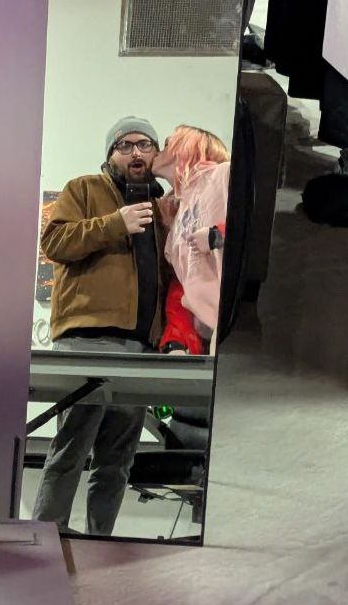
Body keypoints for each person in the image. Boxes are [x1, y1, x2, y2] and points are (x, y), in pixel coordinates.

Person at [33, 116, 166, 535]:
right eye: (125, 145)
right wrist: (115, 223)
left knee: (118, 458)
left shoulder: (164, 205)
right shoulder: (84, 188)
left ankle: (100, 542)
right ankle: (45, 540)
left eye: (145, 144)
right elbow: (54, 242)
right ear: (110, 154)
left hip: (141, 348)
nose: (136, 152)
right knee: (71, 449)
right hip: (86, 339)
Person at [152, 125, 230, 354]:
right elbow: (182, 286)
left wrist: (218, 235)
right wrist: (177, 340)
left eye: (168, 143)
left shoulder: (223, 174)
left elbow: (258, 223)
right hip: (212, 330)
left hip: (236, 319)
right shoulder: (175, 219)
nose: (159, 151)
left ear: (189, 147)